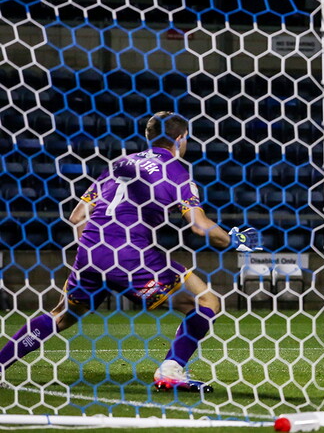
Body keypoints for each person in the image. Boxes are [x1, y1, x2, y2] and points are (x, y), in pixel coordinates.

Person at [0, 111, 260, 392]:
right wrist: (233, 240)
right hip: (131, 255)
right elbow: (199, 226)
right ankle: (172, 370)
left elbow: (77, 217)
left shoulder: (118, 164)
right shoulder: (175, 169)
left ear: (148, 138)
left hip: (91, 251)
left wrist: (94, 254)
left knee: (61, 315)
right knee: (206, 301)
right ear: (181, 138)